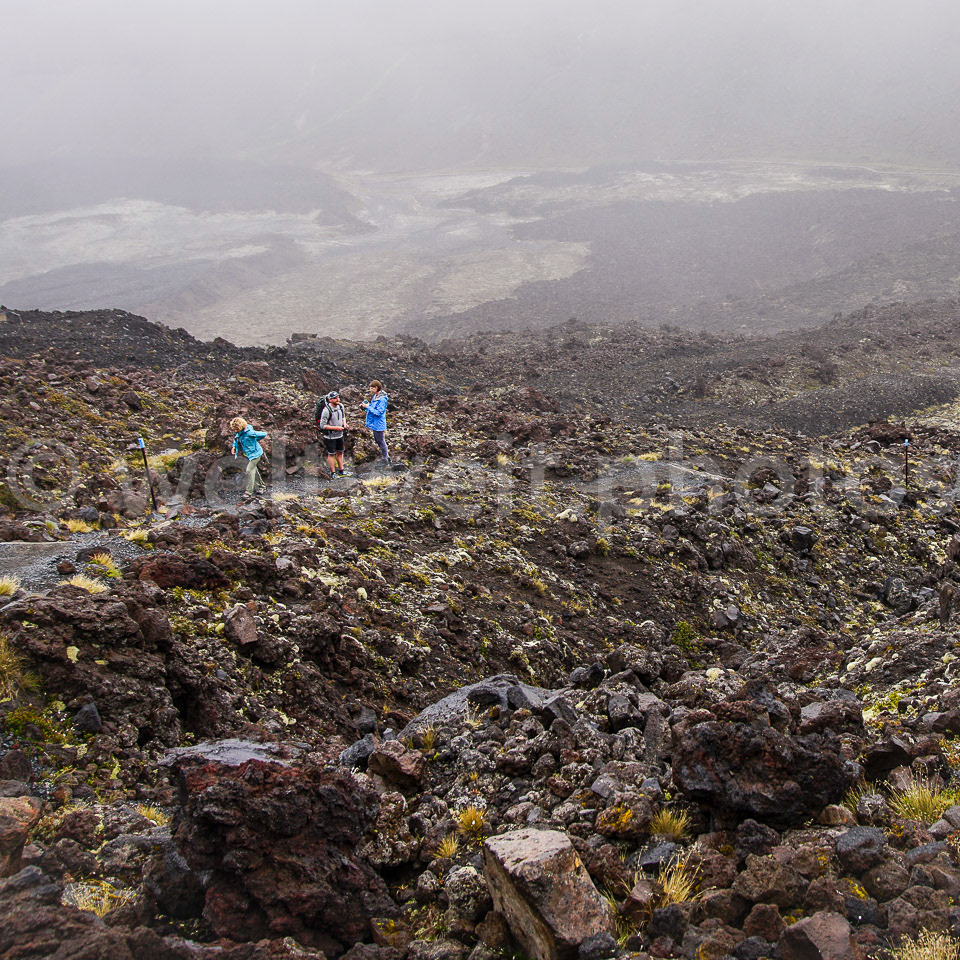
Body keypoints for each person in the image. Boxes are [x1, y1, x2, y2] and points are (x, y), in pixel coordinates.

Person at [230, 416, 267, 498]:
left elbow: (263, 434)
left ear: (241, 427)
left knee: (249, 471)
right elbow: (236, 439)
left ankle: (248, 492)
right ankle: (262, 486)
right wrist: (234, 447)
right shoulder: (238, 432)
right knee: (254, 470)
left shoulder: (250, 433)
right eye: (234, 429)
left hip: (255, 455)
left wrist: (255, 440)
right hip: (248, 455)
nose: (235, 431)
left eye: (236, 429)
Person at [316, 390, 348, 477]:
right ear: (330, 400)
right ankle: (333, 473)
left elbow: (343, 417)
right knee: (331, 454)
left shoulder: (341, 406)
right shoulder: (326, 410)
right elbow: (322, 425)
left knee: (340, 452)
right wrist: (336, 428)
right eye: (335, 398)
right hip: (330, 437)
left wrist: (344, 424)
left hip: (339, 435)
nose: (338, 399)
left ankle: (341, 470)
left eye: (338, 397)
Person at [361, 380, 390, 464]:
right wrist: (365, 407)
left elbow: (379, 412)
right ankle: (385, 457)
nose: (370, 390)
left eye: (372, 388)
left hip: (379, 423)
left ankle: (385, 458)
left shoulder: (382, 399)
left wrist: (368, 407)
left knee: (381, 440)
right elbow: (373, 408)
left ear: (376, 388)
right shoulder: (375, 396)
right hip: (374, 423)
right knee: (378, 440)